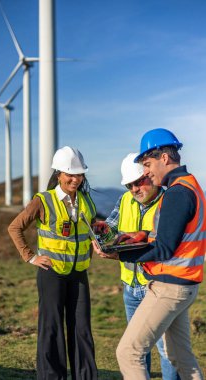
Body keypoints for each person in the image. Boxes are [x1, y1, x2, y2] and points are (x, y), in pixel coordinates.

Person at [94, 128, 206, 379]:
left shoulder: (177, 193)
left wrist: (119, 255)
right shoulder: (190, 185)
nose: (145, 172)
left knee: (128, 352)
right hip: (185, 283)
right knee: (181, 358)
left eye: (147, 164)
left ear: (164, 158)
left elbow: (165, 248)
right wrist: (143, 235)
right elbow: (173, 236)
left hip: (170, 286)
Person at [8, 146, 98, 380]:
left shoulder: (86, 200)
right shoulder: (43, 200)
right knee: (52, 329)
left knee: (81, 329)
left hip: (79, 273)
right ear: (58, 174)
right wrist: (30, 256)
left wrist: (98, 242)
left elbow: (91, 229)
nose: (75, 179)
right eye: (70, 174)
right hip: (51, 272)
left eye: (79, 175)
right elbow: (15, 227)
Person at [93, 152, 179, 380]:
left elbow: (171, 240)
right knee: (137, 349)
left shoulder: (169, 201)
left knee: (167, 351)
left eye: (138, 182)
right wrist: (104, 231)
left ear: (149, 175)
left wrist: (144, 236)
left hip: (158, 286)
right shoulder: (124, 200)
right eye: (129, 185)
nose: (134, 189)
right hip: (130, 287)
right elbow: (113, 228)